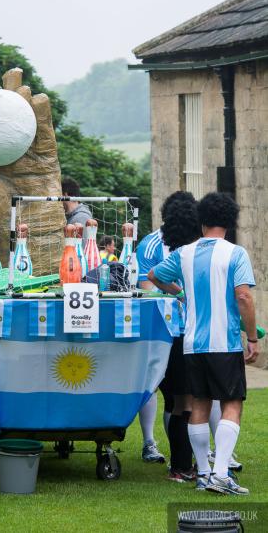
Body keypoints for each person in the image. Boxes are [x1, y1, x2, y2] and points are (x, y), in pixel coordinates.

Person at [148, 192, 258, 495]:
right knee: (231, 404)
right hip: (225, 343)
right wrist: (252, 337)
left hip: (193, 343)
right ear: (230, 221)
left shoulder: (184, 253)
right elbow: (244, 296)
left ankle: (204, 474)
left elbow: (153, 275)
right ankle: (221, 474)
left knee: (198, 405)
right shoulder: (236, 253)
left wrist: (179, 293)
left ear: (202, 220)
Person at [136, 191, 197, 465]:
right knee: (170, 395)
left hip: (193, 332)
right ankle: (154, 445)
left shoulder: (195, 248)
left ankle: (188, 461)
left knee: (185, 399)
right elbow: (148, 283)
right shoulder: (151, 246)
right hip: (165, 332)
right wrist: (181, 296)